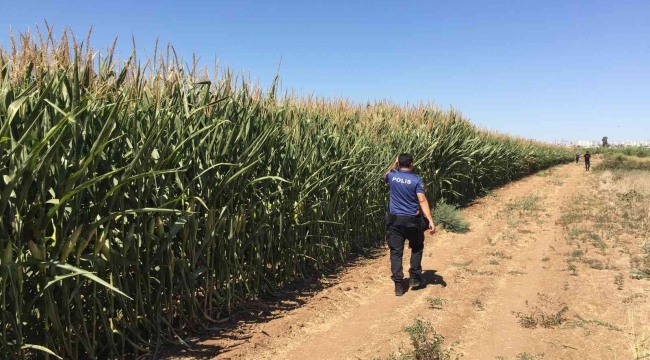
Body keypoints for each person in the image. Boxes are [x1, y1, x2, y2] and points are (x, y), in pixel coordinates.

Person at [383, 154, 436, 296]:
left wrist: (394, 165)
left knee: (396, 252)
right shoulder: (416, 180)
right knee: (417, 247)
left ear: (398, 163)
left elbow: (385, 175)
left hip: (394, 221)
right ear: (411, 164)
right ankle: (414, 278)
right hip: (413, 221)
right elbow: (422, 200)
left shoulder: (392, 176)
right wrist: (430, 220)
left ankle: (398, 285)